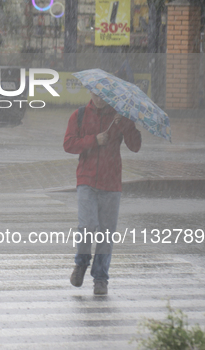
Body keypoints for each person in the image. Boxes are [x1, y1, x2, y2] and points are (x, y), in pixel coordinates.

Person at [63, 91, 141, 295]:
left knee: (106, 234)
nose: (99, 99)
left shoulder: (120, 116)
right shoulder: (79, 115)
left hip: (111, 183)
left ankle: (100, 278)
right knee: (87, 225)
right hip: (86, 180)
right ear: (90, 92)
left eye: (104, 96)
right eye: (96, 95)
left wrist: (124, 123)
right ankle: (81, 264)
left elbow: (136, 146)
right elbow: (68, 144)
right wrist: (93, 140)